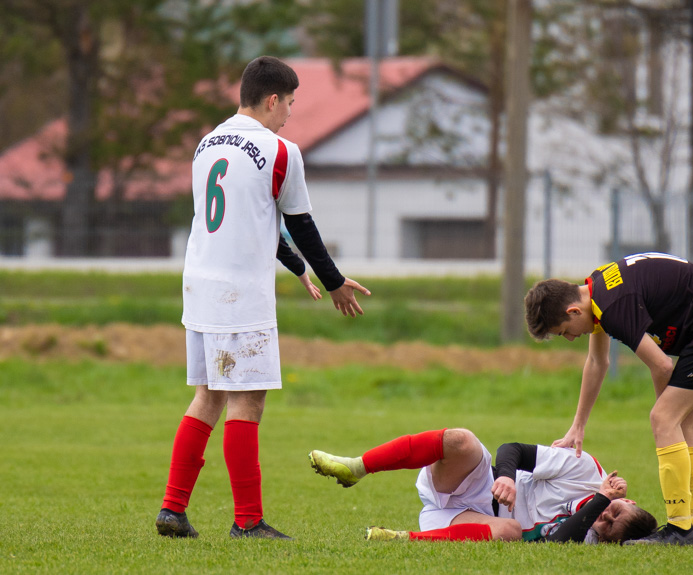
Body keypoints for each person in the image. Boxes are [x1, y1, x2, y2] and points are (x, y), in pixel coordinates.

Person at [155, 56, 371, 540]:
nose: (291, 113)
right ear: (272, 99)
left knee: (206, 396)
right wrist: (334, 280)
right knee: (247, 401)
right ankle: (248, 522)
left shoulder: (206, 144)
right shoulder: (280, 151)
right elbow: (299, 223)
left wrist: (296, 269)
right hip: (240, 294)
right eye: (290, 103)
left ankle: (173, 509)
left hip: (199, 287)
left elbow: (252, 220)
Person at [524, 252, 693, 546]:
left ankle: (679, 530)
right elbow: (598, 362)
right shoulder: (597, 289)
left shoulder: (612, 306)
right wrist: (578, 425)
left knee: (665, 419)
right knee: (683, 424)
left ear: (573, 311)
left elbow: (661, 365)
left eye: (564, 332)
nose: (571, 338)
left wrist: (665, 415)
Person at [308, 428, 657, 543]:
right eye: (616, 512)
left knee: (510, 531)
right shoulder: (585, 469)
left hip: (465, 522)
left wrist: (599, 501)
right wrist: (505, 475)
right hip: (478, 484)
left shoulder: (589, 533)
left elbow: (559, 543)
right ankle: (358, 466)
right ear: (629, 499)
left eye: (610, 529)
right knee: (462, 440)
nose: (604, 518)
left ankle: (401, 538)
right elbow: (513, 450)